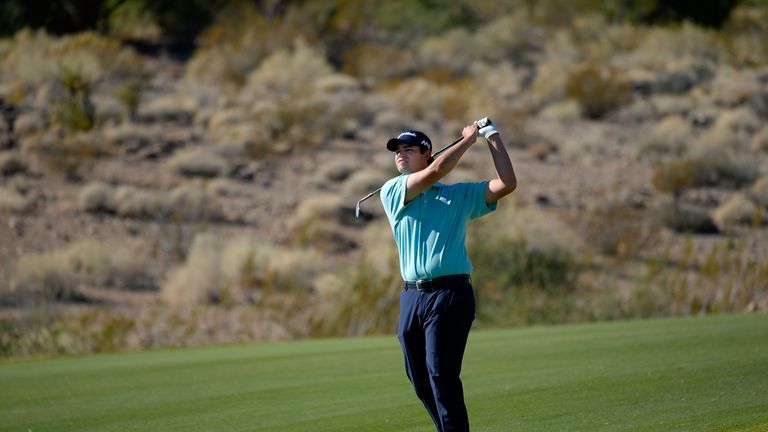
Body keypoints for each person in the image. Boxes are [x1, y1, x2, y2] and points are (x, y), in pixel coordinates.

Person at [379, 119, 517, 432]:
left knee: (441, 374)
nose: (400, 155)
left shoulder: (457, 196)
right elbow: (436, 171)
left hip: (450, 294)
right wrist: (467, 140)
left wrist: (490, 137)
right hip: (411, 296)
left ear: (426, 153)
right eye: (397, 151)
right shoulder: (393, 190)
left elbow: (506, 184)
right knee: (421, 381)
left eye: (408, 150)